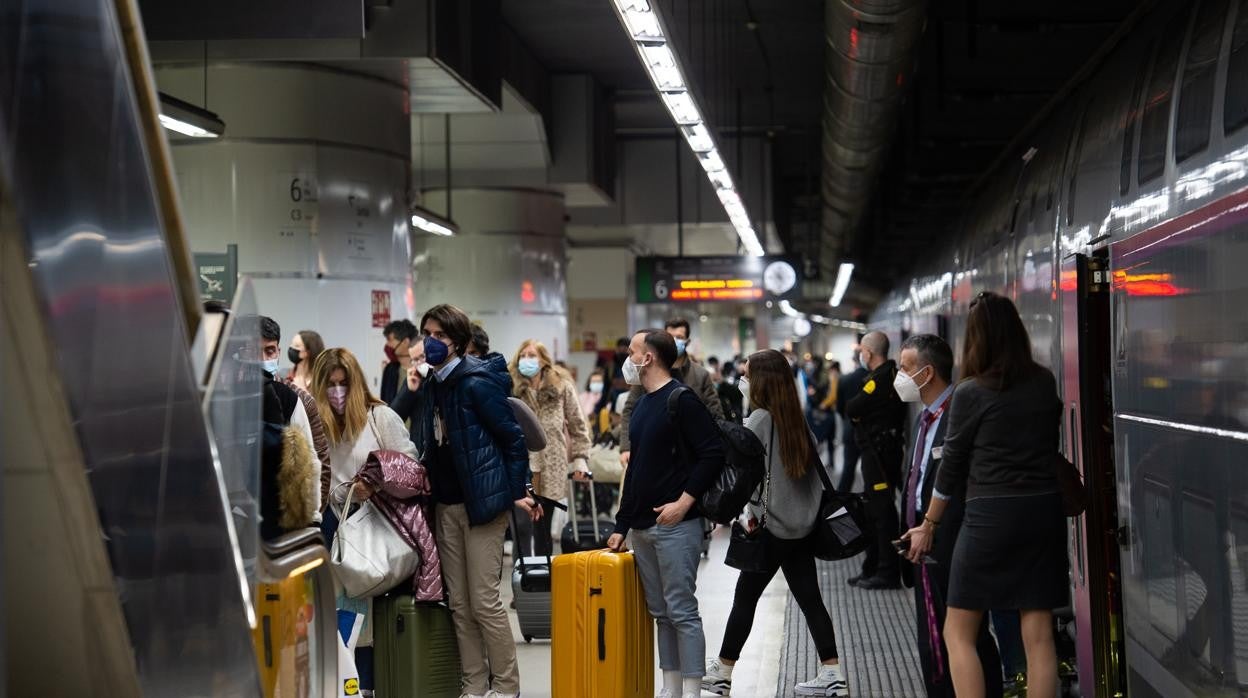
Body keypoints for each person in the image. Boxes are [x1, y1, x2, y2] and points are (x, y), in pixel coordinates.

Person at [903, 291, 1066, 698]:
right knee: (1040, 634)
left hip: (989, 518)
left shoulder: (971, 392)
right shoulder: (1043, 382)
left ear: (973, 339)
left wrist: (928, 523)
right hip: (1043, 513)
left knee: (958, 630)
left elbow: (951, 469)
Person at [701, 349, 848, 697]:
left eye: (747, 374)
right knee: (810, 599)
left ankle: (723, 672)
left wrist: (738, 512)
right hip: (801, 528)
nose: (743, 381)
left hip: (772, 528)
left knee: (745, 597)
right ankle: (833, 673)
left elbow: (744, 475)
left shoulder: (760, 420)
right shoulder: (795, 418)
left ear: (762, 380)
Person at [418, 304, 536, 698]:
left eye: (439, 335)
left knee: (485, 603)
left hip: (483, 505)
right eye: (427, 334)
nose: (431, 342)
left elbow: (513, 439)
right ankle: (473, 684)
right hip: (446, 504)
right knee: (460, 605)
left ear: (457, 341)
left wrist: (517, 491)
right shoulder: (434, 383)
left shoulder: (476, 381)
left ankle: (506, 687)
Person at [606, 329, 723, 698]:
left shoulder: (681, 400)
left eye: (632, 350)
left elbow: (713, 454)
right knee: (661, 612)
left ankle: (692, 689)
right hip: (642, 527)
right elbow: (637, 468)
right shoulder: (642, 402)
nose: (628, 356)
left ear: (648, 357)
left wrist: (684, 502)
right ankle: (670, 686)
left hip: (677, 526)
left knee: (682, 611)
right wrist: (622, 525)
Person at [894, 334, 1003, 697]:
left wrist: (930, 525)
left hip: (953, 538)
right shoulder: (924, 417)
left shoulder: (959, 410)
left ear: (927, 373)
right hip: (926, 539)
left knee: (958, 635)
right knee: (937, 632)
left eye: (905, 368)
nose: (899, 376)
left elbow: (957, 479)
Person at [310, 347, 419, 696]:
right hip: (333, 524)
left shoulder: (380, 417)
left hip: (376, 524)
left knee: (367, 611)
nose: (338, 392)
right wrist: (341, 493)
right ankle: (348, 685)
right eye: (331, 384)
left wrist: (377, 482)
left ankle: (369, 683)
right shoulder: (316, 422)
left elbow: (411, 467)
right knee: (341, 609)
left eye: (344, 383)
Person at [509, 339, 592, 556]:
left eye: (532, 355)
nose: (527, 360)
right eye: (523, 355)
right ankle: (523, 575)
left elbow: (577, 423)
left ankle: (545, 578)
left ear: (543, 359)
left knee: (543, 527)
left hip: (552, 465)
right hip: (521, 465)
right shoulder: (511, 387)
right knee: (522, 526)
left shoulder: (561, 386)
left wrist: (581, 458)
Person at [845, 331, 907, 590]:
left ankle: (887, 571)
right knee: (874, 509)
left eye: (862, 350)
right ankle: (872, 566)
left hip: (879, 454)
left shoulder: (879, 379)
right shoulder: (891, 375)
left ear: (868, 353)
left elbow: (853, 407)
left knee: (882, 512)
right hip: (881, 451)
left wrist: (859, 416)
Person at [619, 317, 723, 468]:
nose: (674, 341)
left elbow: (716, 415)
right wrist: (626, 447)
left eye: (679, 337)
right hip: (655, 452)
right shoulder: (645, 374)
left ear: (687, 341)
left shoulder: (700, 375)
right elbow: (629, 410)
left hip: (690, 454)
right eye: (670, 336)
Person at [836, 352, 868, 492]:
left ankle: (840, 503)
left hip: (850, 430)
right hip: (869, 431)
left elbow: (839, 408)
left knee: (848, 469)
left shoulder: (844, 379)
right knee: (871, 471)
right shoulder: (873, 379)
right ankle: (871, 503)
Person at [380, 319, 418, 404]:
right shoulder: (390, 369)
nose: (387, 345)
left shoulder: (423, 369)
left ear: (405, 342)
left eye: (390, 340)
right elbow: (384, 402)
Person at [286, 329, 325, 393]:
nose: (291, 348)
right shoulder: (283, 375)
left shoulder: (322, 381)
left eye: (296, 346)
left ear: (308, 352)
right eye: (291, 344)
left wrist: (304, 391)